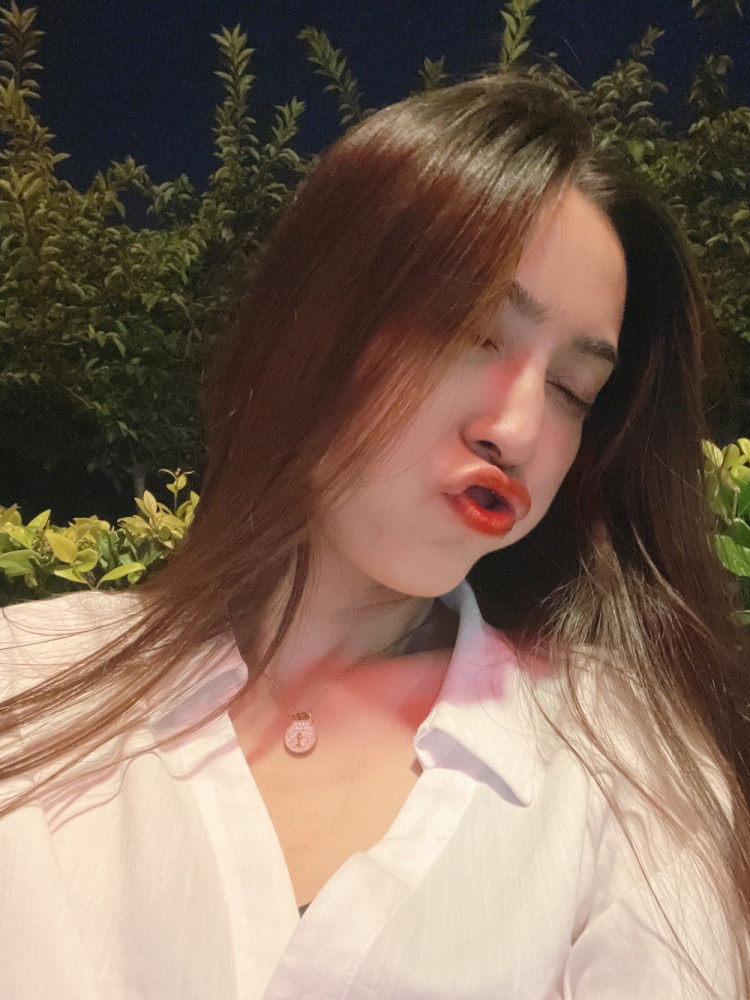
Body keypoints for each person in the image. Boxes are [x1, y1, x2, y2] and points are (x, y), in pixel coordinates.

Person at [0, 72, 749, 1000]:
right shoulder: (28, 681)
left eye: (572, 391)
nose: (519, 430)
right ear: (312, 326)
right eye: (474, 332)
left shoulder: (618, 757)